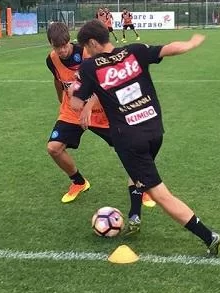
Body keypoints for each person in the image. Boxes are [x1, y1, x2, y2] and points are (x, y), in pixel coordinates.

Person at [70, 20, 220, 256]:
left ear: (92, 42)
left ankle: (209, 237)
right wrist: (191, 43)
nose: (86, 53)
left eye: (85, 47)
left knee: (160, 195)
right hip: (154, 130)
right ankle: (135, 215)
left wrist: (74, 88)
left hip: (129, 139)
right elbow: (169, 49)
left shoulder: (89, 67)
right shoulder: (134, 51)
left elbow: (75, 103)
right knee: (137, 173)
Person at [46, 21, 155, 208]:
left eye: (64, 45)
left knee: (130, 147)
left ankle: (141, 186)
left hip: (101, 111)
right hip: (72, 111)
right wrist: (61, 101)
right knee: (53, 148)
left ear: (69, 40)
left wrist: (88, 106)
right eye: (57, 47)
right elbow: (58, 81)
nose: (61, 50)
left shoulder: (87, 53)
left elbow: (103, 83)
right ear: (51, 45)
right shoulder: (52, 60)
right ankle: (79, 182)